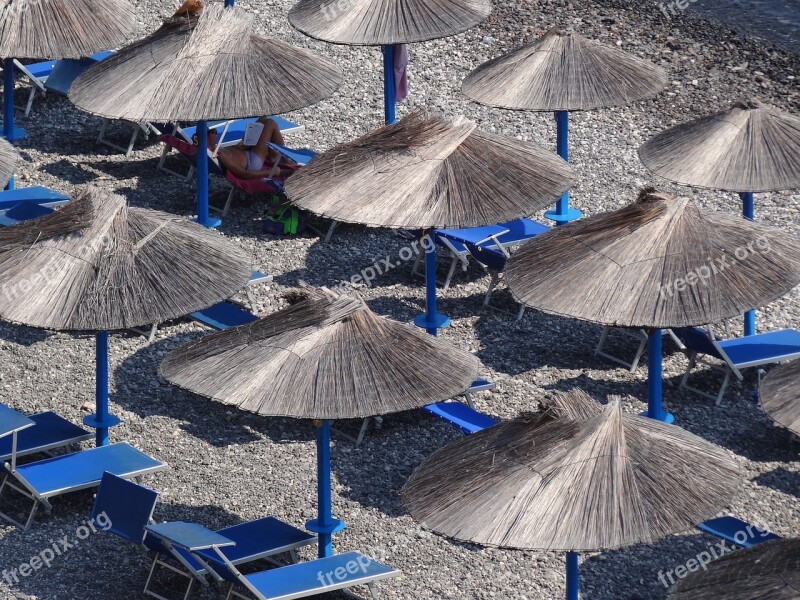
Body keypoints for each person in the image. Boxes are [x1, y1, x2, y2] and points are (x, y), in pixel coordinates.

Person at [216, 117, 292, 180]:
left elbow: (233, 155)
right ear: (209, 135)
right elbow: (244, 174)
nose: (216, 133)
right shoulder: (220, 154)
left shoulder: (213, 149)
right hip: (252, 160)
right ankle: (285, 160)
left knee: (261, 120)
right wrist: (271, 172)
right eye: (214, 132)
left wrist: (238, 145)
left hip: (243, 150)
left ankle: (275, 155)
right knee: (270, 123)